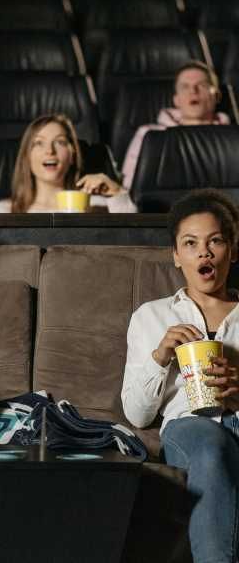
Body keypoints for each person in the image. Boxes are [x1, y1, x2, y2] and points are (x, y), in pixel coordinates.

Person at [121, 189, 239, 563]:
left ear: (231, 251)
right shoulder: (151, 316)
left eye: (215, 241)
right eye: (190, 243)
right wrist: (160, 356)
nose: (204, 252)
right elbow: (137, 416)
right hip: (190, 426)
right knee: (210, 446)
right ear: (176, 256)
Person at [0, 113, 138, 213]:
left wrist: (117, 194)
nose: (49, 151)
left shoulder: (98, 207)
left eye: (59, 142)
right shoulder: (2, 211)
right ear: (27, 157)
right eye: (39, 143)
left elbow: (135, 244)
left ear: (72, 155)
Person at [120, 61, 231, 190]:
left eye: (201, 85)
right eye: (185, 86)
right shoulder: (148, 134)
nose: (193, 91)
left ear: (216, 96)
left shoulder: (233, 137)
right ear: (176, 100)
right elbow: (128, 186)